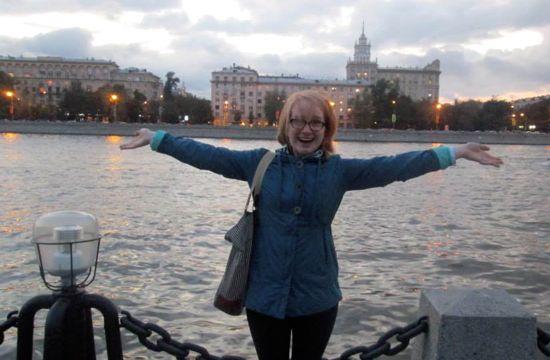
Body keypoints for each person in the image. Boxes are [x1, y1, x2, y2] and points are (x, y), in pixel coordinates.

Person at [120, 90, 503, 360]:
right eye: (298, 122)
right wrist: (158, 139)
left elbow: (396, 166)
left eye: (315, 123)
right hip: (264, 295)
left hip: (317, 296)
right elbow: (206, 155)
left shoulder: (339, 171)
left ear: (326, 129)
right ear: (285, 126)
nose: (306, 130)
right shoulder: (259, 163)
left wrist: (454, 152)